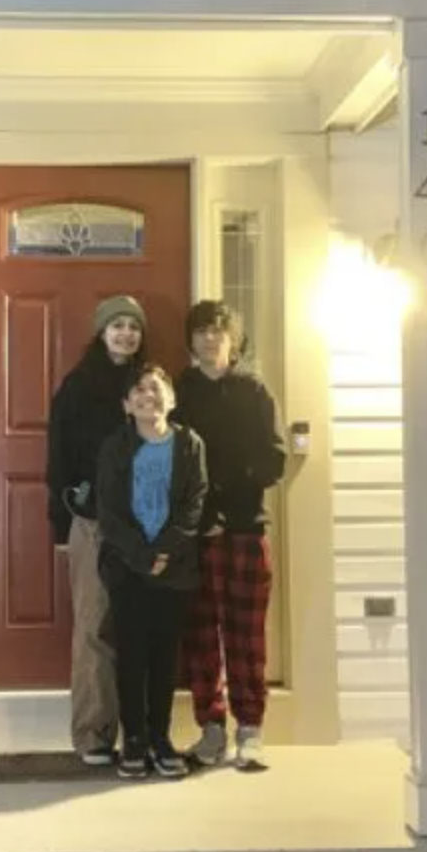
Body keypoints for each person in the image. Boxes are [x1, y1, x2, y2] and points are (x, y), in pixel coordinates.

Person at [174, 300, 286, 771]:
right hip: (195, 533)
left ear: (233, 341)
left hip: (243, 528)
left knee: (245, 635)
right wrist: (202, 514)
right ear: (191, 340)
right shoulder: (179, 391)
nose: (209, 340)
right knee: (201, 634)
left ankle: (252, 730)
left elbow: (274, 459)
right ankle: (212, 728)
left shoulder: (254, 391)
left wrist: (227, 500)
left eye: (218, 332)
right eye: (201, 332)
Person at [47, 295, 147, 765]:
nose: (126, 333)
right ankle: (93, 734)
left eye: (133, 326)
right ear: (101, 332)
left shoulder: (152, 385)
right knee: (93, 628)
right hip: (90, 523)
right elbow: (58, 459)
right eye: (117, 325)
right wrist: (61, 524)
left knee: (140, 628)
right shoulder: (77, 387)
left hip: (144, 525)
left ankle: (142, 734)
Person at [97, 364, 207, 780]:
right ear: (127, 404)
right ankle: (135, 740)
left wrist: (164, 551)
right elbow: (109, 511)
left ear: (172, 399)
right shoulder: (114, 447)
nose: (148, 395)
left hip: (175, 568)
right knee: (131, 654)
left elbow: (194, 503)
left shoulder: (190, 444)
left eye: (157, 388)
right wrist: (142, 556)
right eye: (139, 390)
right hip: (127, 568)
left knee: (165, 656)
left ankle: (161, 738)